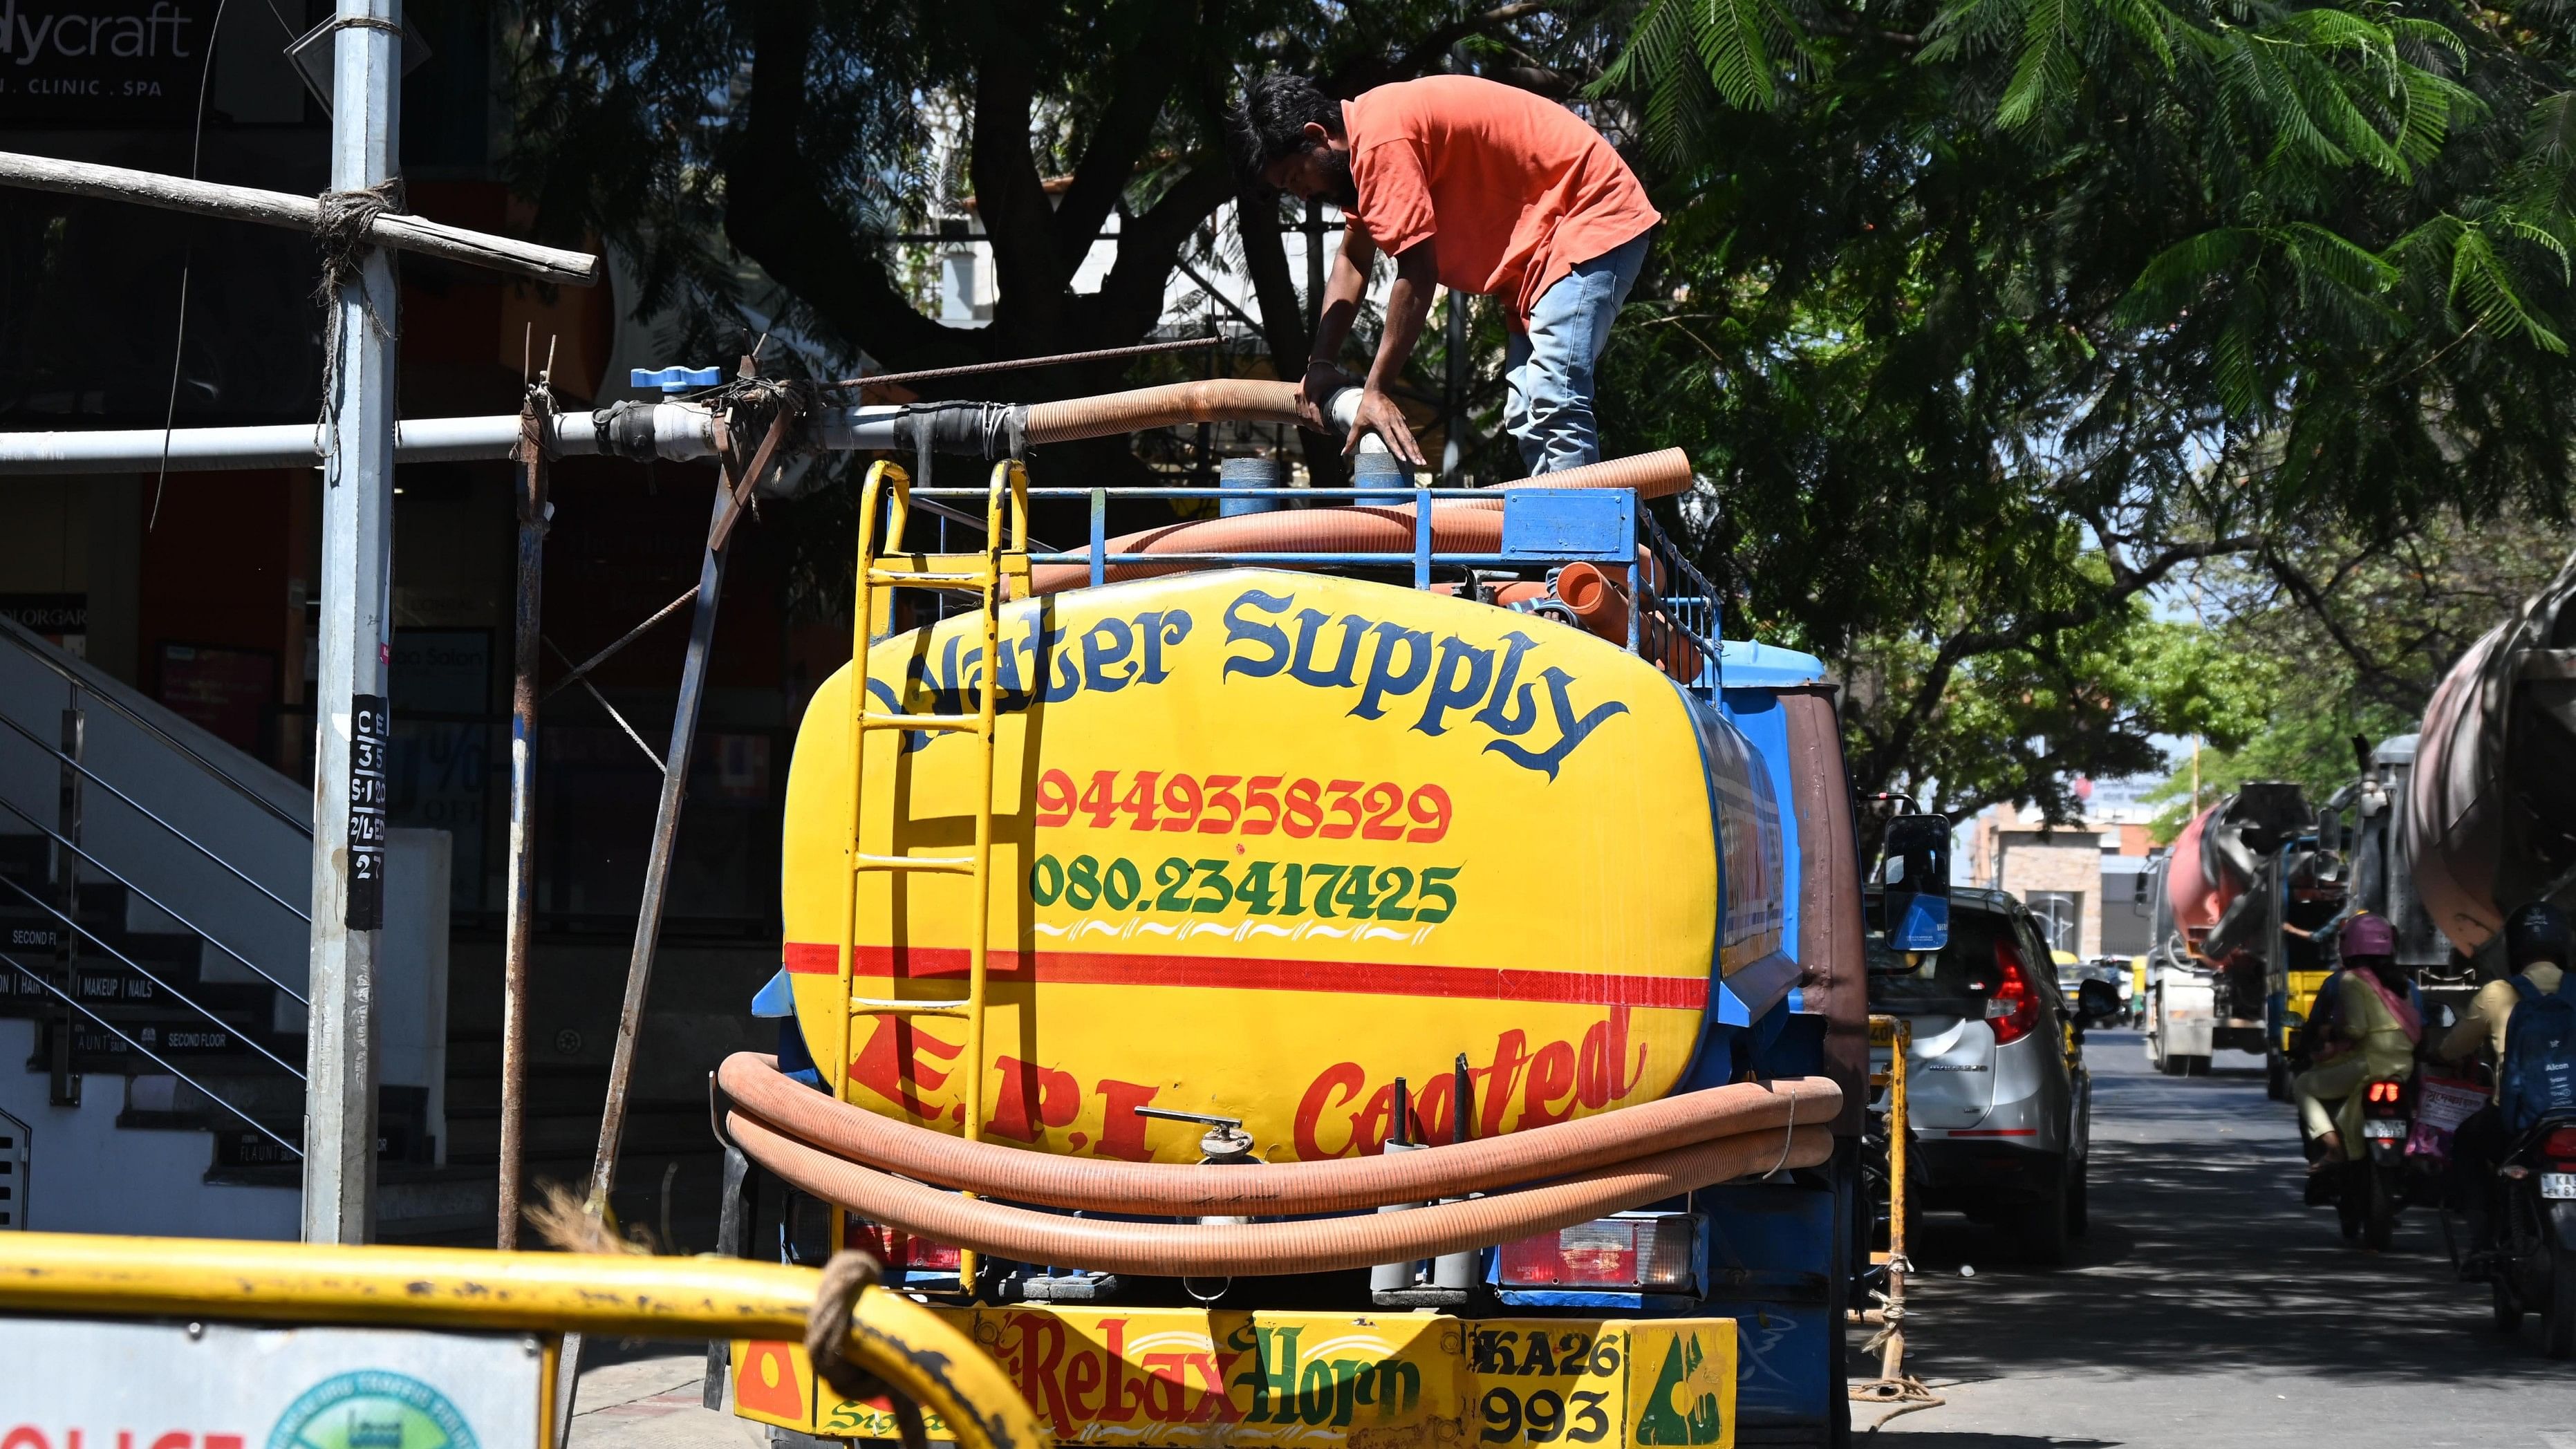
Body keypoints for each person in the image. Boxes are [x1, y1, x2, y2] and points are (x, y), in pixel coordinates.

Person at [1233, 73, 1661, 475]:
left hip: (1589, 215)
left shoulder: (1383, 138)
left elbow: (1419, 272)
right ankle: (1554, 546)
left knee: (1554, 394)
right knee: (1525, 414)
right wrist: (1320, 363)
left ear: (1316, 136)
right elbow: (1353, 259)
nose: (1304, 195)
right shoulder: (1364, 149)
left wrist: (1376, 390)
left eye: (1295, 178)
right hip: (1540, 256)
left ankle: (1582, 546)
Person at [2433, 901, 2570, 1258]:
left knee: (2467, 1141)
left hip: (2521, 1122)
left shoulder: (2498, 993)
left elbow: (2452, 1048)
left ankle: (2480, 1240)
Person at [2291, 913, 2420, 1172]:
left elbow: (2357, 1030)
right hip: (2404, 1067)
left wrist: (2330, 1031)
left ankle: (2333, 1148)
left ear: (2348, 946)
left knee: (2304, 1084)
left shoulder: (2349, 981)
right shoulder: (2404, 984)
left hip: (2369, 1065)